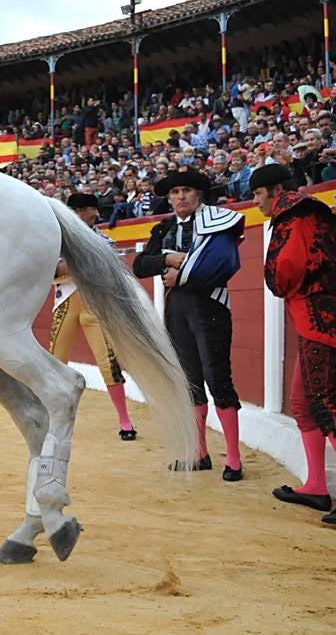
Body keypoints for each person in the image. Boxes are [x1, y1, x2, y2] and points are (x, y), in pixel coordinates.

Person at [253, 164, 336, 523]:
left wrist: (282, 285)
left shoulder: (293, 216)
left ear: (274, 190)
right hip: (320, 314)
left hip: (317, 317)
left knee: (322, 400)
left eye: (258, 194)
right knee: (303, 400)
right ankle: (315, 485)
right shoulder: (308, 212)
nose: (255, 202)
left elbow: (285, 269)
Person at [133, 170, 246, 479]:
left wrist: (184, 273)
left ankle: (234, 458)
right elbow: (141, 265)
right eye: (175, 192)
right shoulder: (165, 228)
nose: (180, 196)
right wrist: (171, 259)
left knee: (218, 379)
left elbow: (222, 264)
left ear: (198, 195)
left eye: (186, 190)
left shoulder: (214, 222)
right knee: (191, 383)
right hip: (177, 308)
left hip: (210, 305)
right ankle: (199, 452)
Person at [50, 193, 137, 439]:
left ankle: (125, 421)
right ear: (79, 212)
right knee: (55, 363)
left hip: (95, 306)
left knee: (109, 364)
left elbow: (114, 271)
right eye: (91, 210)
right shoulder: (56, 239)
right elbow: (48, 271)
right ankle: (50, 417)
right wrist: (64, 269)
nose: (96, 214)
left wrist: (71, 268)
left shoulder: (102, 240)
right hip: (65, 303)